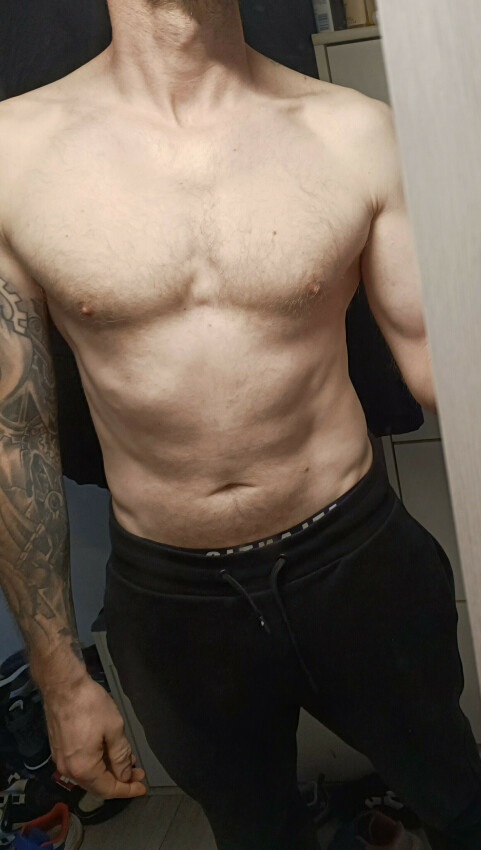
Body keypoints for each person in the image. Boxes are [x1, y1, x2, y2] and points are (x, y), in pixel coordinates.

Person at [0, 1, 480, 847]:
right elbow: (18, 433)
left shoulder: (351, 131)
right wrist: (60, 675)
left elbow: (443, 370)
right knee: (254, 834)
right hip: (172, 598)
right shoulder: (14, 155)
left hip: (356, 559)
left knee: (458, 800)